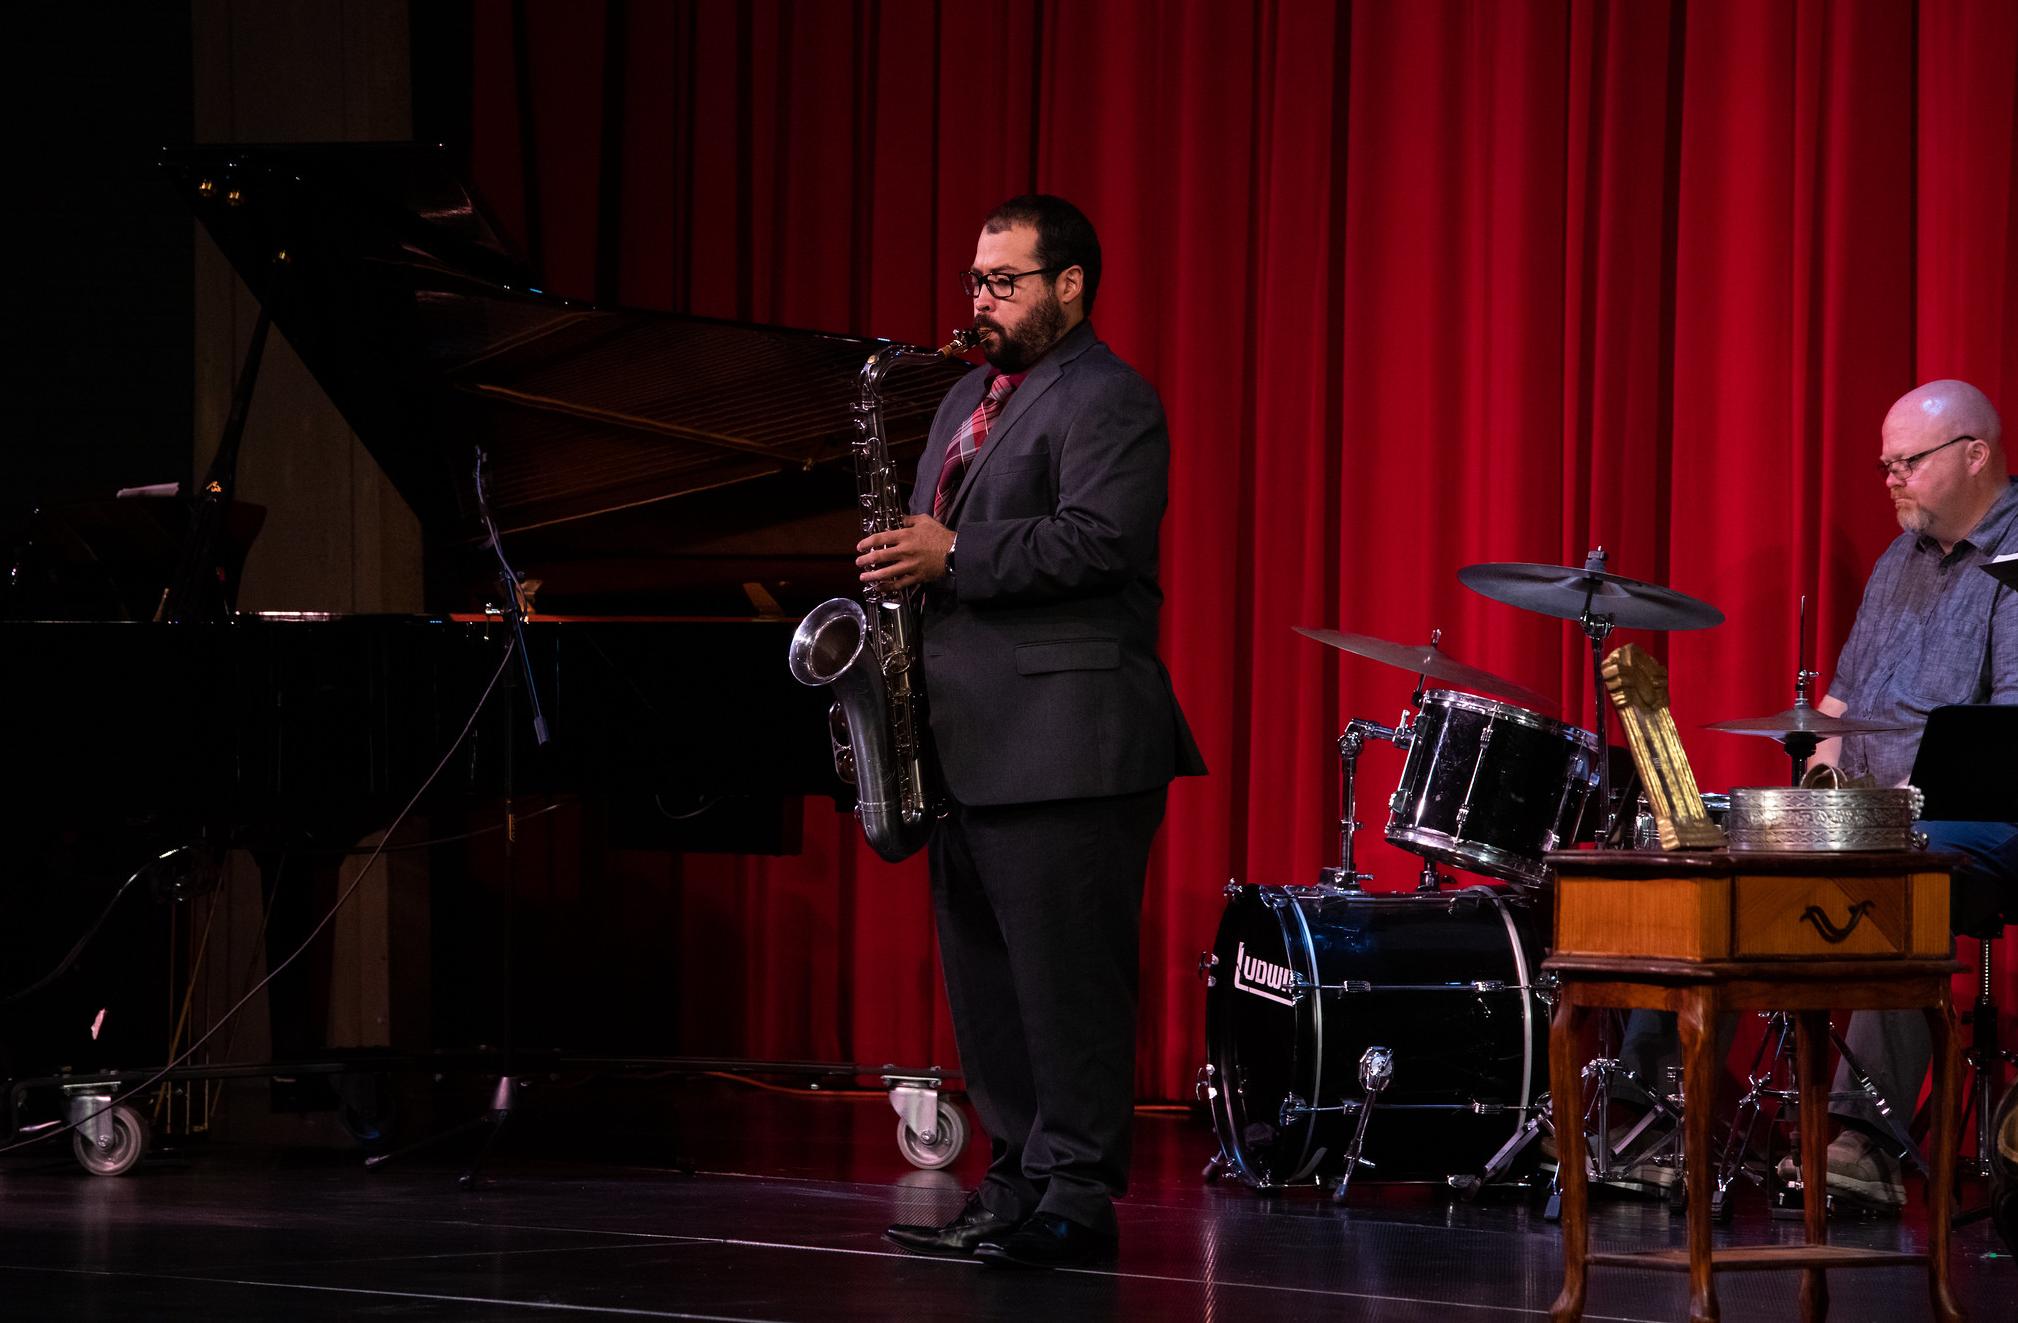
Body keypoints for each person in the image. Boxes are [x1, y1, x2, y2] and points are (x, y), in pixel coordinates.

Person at [858, 195, 1205, 1269]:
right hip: (965, 741)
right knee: (988, 992)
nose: (980, 300)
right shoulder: (966, 395)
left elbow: (1097, 542)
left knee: (1067, 990)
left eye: (1003, 280)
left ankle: (1075, 1196)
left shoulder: (1109, 398)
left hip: (1067, 741)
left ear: (1069, 285)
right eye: (974, 279)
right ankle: (1009, 1182)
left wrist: (949, 557)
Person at [1812, 378, 2018, 1208]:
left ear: (1976, 455)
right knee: (1724, 849)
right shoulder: (1899, 558)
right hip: (1878, 806)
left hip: (1981, 817)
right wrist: (1815, 776)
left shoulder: (2014, 563)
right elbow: (1838, 703)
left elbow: (2011, 735)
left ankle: (1864, 1135)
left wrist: (1903, 795)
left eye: (1909, 460)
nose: (1891, 476)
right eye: (1884, 463)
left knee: (1904, 861)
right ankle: (1660, 1118)